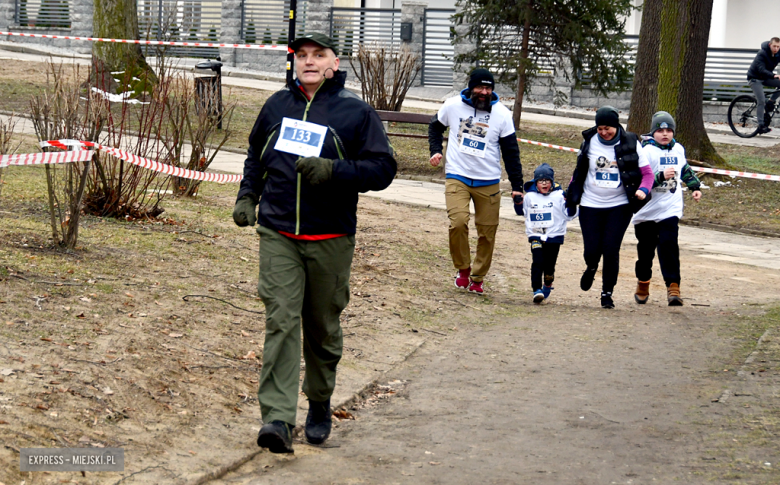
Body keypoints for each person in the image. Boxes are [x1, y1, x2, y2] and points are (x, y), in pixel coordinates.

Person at [232, 32, 396, 453]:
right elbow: (256, 156)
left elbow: (382, 169)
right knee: (281, 320)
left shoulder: (355, 112)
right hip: (279, 232)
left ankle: (319, 403)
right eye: (301, 55)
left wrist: (334, 170)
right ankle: (278, 419)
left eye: (317, 55)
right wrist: (248, 195)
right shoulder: (276, 106)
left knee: (321, 327)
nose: (308, 61)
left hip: (331, 236)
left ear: (334, 62)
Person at [428, 68, 524, 294]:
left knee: (487, 233)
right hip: (457, 176)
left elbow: (511, 152)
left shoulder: (502, 113)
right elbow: (435, 126)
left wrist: (518, 187)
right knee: (458, 222)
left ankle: (478, 277)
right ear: (471, 88)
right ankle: (463, 268)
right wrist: (435, 150)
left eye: (488, 88)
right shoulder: (452, 106)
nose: (484, 92)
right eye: (480, 87)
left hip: (488, 181)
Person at [565, 105, 654, 309]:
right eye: (600, 128)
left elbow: (648, 174)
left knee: (611, 249)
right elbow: (578, 172)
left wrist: (644, 190)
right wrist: (570, 195)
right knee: (592, 249)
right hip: (590, 203)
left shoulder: (631, 142)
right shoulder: (589, 142)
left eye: (608, 128)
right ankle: (591, 266)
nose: (604, 132)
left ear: (616, 126)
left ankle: (607, 293)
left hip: (619, 205)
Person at [632, 111, 702, 306]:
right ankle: (643, 282)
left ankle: (673, 287)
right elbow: (639, 180)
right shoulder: (645, 152)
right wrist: (660, 176)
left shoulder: (678, 149)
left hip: (670, 208)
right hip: (646, 210)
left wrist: (695, 187)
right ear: (653, 132)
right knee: (645, 251)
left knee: (669, 246)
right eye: (660, 130)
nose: (665, 134)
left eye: (669, 130)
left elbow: (685, 169)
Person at [521, 163, 577, 304]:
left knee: (549, 267)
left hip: (554, 236)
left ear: (552, 182)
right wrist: (517, 203)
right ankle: (536, 290)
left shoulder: (559, 196)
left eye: (547, 180)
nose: (544, 183)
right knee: (537, 261)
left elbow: (569, 215)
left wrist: (571, 203)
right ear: (536, 182)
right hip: (536, 234)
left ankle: (548, 283)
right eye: (541, 181)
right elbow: (522, 212)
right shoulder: (530, 197)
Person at [747, 37, 780, 134]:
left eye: (778, 47)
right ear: (770, 45)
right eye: (774, 46)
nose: (776, 49)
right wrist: (774, 75)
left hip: (765, 78)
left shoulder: (778, 54)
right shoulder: (762, 53)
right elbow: (761, 70)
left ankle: (770, 102)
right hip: (754, 79)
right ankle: (761, 125)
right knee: (761, 100)